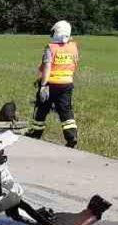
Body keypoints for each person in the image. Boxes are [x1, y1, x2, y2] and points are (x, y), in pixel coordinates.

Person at [27, 20, 80, 148]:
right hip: (67, 84)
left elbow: (47, 67)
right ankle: (71, 136)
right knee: (66, 111)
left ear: (56, 32)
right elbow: (75, 63)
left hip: (51, 84)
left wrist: (43, 85)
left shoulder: (50, 48)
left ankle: (36, 133)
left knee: (42, 108)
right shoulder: (73, 47)